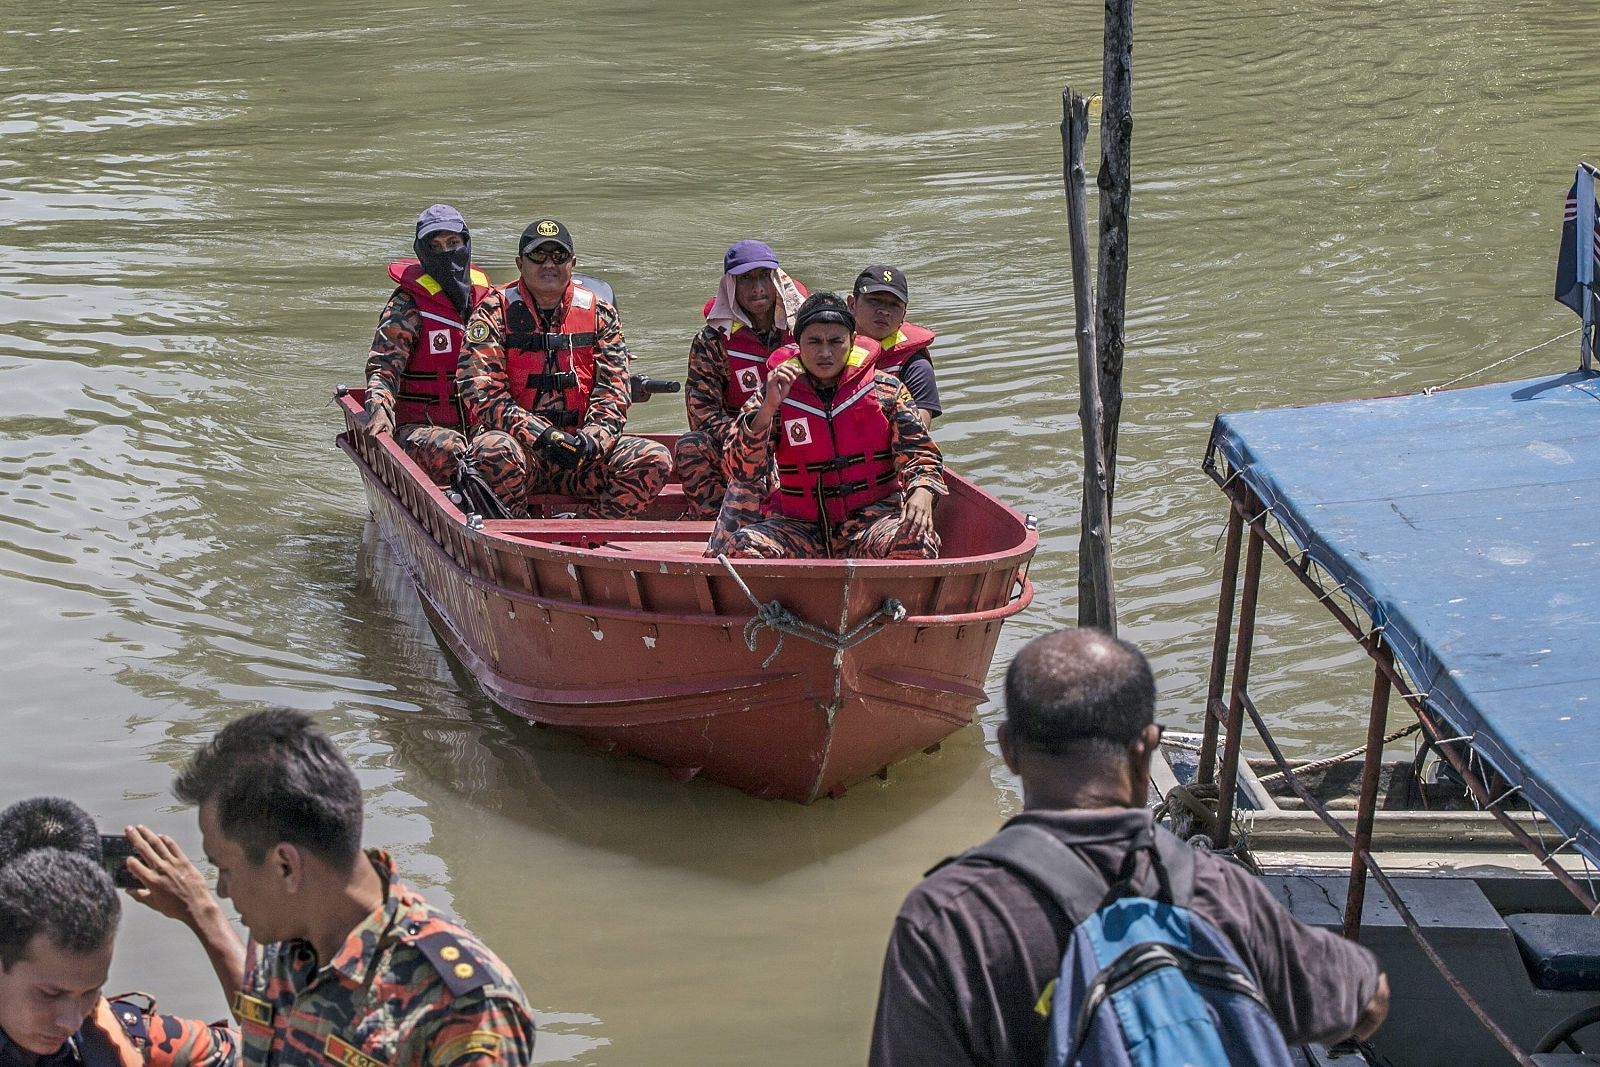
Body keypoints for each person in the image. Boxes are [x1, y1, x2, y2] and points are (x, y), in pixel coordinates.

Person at [868, 628, 1391, 1066]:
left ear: (1008, 749)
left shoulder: (951, 921)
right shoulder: (1221, 895)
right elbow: (1367, 1001)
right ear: (1147, 747)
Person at [152, 709, 535, 1067]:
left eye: (224, 869)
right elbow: (269, 1032)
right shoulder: (279, 938)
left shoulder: (463, 1008)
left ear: (286, 865)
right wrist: (199, 915)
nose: (220, 890)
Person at [0, 796, 238, 1066]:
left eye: (90, 992)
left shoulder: (121, 1039)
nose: (70, 1022)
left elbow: (282, 1044)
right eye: (50, 994)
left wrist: (204, 916)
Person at [457, 218, 671, 518]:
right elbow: (481, 394)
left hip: (581, 457)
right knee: (492, 450)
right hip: (521, 454)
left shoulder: (600, 313)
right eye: (537, 256)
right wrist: (541, 435)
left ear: (573, 262)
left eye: (558, 256)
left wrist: (592, 441)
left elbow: (614, 392)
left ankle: (589, 531)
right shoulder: (493, 311)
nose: (549, 264)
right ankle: (517, 531)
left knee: (654, 458)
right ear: (520, 263)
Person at [721, 292, 944, 560]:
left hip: (872, 522)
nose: (825, 352)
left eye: (835, 341)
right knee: (742, 546)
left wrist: (922, 491)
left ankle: (884, 601)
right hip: (800, 527)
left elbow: (922, 456)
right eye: (814, 341)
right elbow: (739, 469)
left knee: (917, 541)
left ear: (852, 341)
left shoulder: (886, 390)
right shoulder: (774, 393)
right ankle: (783, 601)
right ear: (798, 345)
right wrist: (767, 410)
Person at [362, 205, 495, 484]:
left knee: (499, 449)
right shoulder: (406, 306)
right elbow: (382, 371)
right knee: (454, 449)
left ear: (465, 243)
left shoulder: (489, 301)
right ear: (423, 252)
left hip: (479, 426)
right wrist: (380, 410)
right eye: (435, 247)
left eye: (452, 243)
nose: (446, 253)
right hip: (420, 431)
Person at [674, 240, 807, 518]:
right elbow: (703, 416)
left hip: (799, 436)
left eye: (763, 276)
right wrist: (753, 437)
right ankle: (710, 522)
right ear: (731, 285)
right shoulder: (711, 341)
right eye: (746, 279)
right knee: (691, 445)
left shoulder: (805, 332)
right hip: (738, 441)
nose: (757, 287)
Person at [847, 265, 941, 428]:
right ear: (852, 304)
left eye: (894, 305)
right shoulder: (826, 351)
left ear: (903, 314)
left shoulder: (915, 366)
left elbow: (918, 434)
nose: (884, 311)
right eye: (874, 300)